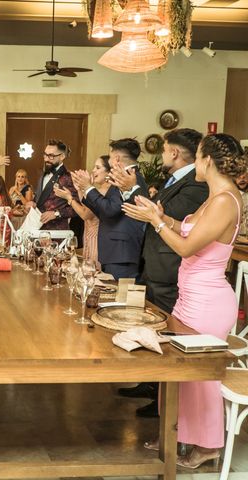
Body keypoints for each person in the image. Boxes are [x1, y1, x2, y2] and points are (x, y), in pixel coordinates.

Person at [123, 133, 246, 469]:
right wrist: (158, 214)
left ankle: (207, 446)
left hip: (207, 300)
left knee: (200, 378)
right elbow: (190, 230)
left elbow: (186, 248)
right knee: (179, 375)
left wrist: (157, 222)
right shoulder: (214, 197)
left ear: (207, 160)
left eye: (199, 158)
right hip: (190, 297)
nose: (196, 165)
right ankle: (175, 432)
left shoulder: (224, 200)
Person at [116, 128, 208, 418]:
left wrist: (135, 189)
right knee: (153, 326)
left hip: (168, 266)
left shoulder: (195, 185)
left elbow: (163, 216)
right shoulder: (176, 179)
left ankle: (162, 401)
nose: (162, 154)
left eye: (165, 149)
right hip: (155, 262)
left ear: (175, 153)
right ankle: (150, 383)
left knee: (166, 333)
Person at [73, 138, 148, 279]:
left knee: (117, 297)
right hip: (115, 252)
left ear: (117, 158)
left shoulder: (130, 178)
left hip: (121, 253)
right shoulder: (124, 177)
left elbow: (110, 210)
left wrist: (88, 188)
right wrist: (84, 191)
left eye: (111, 157)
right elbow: (105, 211)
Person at [54, 155, 111, 268]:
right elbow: (86, 204)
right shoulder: (100, 190)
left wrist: (69, 199)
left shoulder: (105, 191)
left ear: (109, 172)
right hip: (89, 237)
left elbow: (85, 214)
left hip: (97, 240)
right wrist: (79, 188)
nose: (93, 170)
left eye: (98, 167)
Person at [32, 139, 78, 230]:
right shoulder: (43, 174)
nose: (46, 159)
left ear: (62, 156)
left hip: (57, 232)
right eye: (45, 155)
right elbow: (40, 199)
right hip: (37, 228)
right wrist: (32, 203)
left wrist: (56, 214)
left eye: (51, 156)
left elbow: (77, 208)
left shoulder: (69, 177)